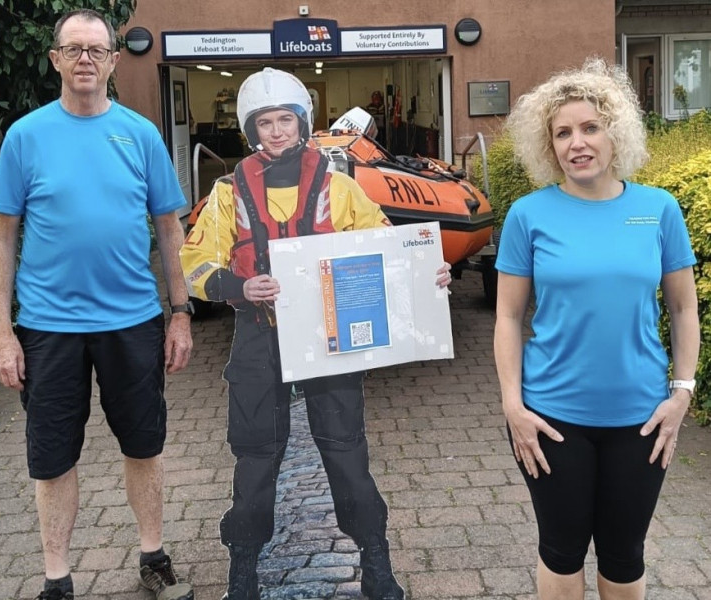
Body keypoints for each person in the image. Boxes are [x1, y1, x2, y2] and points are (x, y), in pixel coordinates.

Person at [180, 67, 451, 600]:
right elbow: (195, 264)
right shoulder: (227, 193)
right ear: (250, 129)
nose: (276, 131)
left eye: (286, 119)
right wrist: (238, 284)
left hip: (330, 341)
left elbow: (388, 250)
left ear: (302, 123)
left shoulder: (339, 187)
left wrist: (428, 272)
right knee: (256, 457)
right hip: (258, 338)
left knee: (347, 453)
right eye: (265, 122)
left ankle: (376, 562)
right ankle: (243, 571)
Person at [0, 9, 194, 600]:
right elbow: (1, 236)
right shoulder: (25, 137)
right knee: (52, 459)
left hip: (133, 322)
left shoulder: (141, 135)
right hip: (48, 329)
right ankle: (57, 578)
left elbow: (169, 228)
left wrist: (180, 312)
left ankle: (152, 555)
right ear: (54, 59)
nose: (84, 59)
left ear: (111, 61)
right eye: (72, 49)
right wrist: (2, 331)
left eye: (95, 50)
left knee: (144, 445)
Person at [493, 57, 700, 599]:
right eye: (562, 133)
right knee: (560, 553)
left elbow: (682, 310)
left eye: (590, 127)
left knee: (624, 555)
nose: (577, 143)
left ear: (616, 133)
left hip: (642, 419)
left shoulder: (658, 210)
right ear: (549, 145)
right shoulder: (528, 215)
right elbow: (509, 317)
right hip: (551, 419)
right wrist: (514, 407)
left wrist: (682, 393)